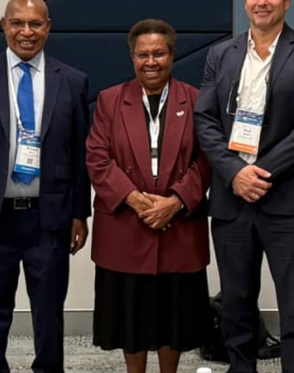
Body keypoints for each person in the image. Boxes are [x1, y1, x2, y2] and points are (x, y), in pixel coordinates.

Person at [194, 0, 294, 373]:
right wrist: (234, 172)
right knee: (236, 301)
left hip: (288, 201)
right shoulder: (221, 54)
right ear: (245, 1)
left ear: (286, 1)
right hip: (232, 199)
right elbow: (204, 118)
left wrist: (260, 173)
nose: (262, 1)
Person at [0, 0, 90, 373]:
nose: (26, 31)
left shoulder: (72, 80)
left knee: (49, 315)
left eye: (35, 23)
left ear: (48, 27)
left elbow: (79, 153)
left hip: (49, 219)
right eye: (18, 23)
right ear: (4, 26)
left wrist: (80, 212)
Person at [87, 19, 211, 373]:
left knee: (174, 317)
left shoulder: (196, 99)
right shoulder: (111, 100)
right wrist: (135, 199)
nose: (151, 62)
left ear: (172, 54)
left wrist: (175, 202)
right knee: (131, 318)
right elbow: (97, 157)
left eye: (159, 53)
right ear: (132, 57)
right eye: (143, 55)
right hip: (127, 225)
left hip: (178, 226)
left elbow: (207, 158)